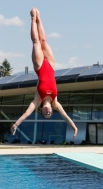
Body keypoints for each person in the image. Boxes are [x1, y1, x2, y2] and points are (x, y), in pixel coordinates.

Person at [11, 8, 78, 138]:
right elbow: (65, 115)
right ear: (52, 110)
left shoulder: (37, 100)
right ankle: (39, 18)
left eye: (44, 113)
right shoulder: (55, 101)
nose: (47, 112)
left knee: (36, 41)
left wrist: (16, 124)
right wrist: (74, 126)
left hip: (40, 66)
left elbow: (27, 113)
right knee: (44, 41)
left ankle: (32, 18)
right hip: (51, 66)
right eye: (49, 113)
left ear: (41, 110)